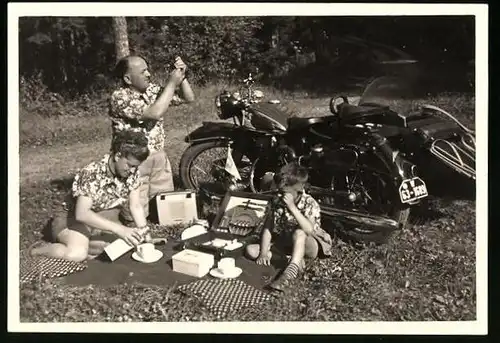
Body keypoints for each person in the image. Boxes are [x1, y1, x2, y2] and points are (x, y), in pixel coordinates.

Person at [30, 131, 152, 262]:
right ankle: (39, 250)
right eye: (130, 165)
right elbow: (82, 214)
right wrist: (120, 229)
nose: (133, 171)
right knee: (77, 254)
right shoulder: (91, 173)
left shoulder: (132, 173)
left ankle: (88, 243)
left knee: (119, 247)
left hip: (101, 216)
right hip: (71, 218)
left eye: (136, 167)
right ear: (117, 156)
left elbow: (136, 206)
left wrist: (146, 236)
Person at [109, 55, 195, 225]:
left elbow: (188, 98)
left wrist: (182, 76)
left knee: (164, 207)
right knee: (135, 211)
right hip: (133, 160)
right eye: (143, 72)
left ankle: (160, 225)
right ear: (127, 79)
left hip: (158, 155)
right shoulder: (120, 97)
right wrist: (171, 83)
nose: (149, 74)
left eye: (148, 69)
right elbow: (154, 113)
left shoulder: (152, 90)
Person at [245, 163, 333, 291]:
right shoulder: (277, 201)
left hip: (309, 242)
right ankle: (293, 260)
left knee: (299, 232)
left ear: (299, 188)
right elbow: (268, 228)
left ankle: (290, 272)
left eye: (284, 192)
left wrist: (292, 207)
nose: (281, 195)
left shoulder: (309, 202)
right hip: (286, 242)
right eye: (279, 191)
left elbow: (308, 229)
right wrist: (263, 252)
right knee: (251, 250)